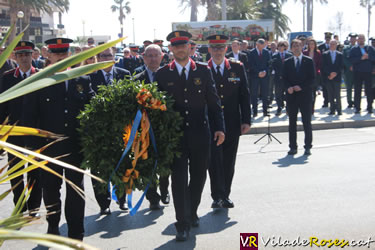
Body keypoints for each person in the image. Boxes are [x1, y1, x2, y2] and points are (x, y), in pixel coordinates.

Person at [155, 30, 225, 241]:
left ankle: (192, 210)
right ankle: (182, 223)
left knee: (198, 176)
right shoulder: (162, 74)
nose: (180, 48)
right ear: (171, 49)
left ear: (190, 46)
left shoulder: (203, 71)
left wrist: (219, 127)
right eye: (175, 45)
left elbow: (214, 103)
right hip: (175, 136)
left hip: (200, 133)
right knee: (178, 179)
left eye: (183, 44)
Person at [23, 38, 95, 240]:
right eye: (56, 52)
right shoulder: (39, 82)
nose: (61, 55)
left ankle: (76, 232)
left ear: (69, 54)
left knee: (75, 189)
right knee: (51, 190)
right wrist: (34, 149)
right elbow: (29, 116)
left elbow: (91, 109)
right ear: (49, 55)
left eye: (64, 51)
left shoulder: (82, 80)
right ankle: (53, 226)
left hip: (74, 146)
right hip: (49, 148)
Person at [206, 34, 251, 209]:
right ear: (209, 49)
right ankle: (216, 195)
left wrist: (246, 119)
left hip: (232, 122)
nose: (217, 51)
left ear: (226, 49)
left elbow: (244, 95)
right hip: (211, 123)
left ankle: (226, 195)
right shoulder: (203, 69)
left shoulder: (236, 67)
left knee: (229, 161)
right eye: (214, 48)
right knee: (214, 161)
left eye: (221, 48)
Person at [0, 41, 42, 215]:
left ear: (33, 55)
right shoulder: (8, 77)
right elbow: (2, 107)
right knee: (16, 171)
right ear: (15, 57)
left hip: (35, 132)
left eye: (27, 54)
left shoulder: (40, 75)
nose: (24, 58)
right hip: (14, 133)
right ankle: (19, 206)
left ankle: (34, 207)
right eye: (21, 55)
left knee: (35, 170)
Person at [133, 45, 170, 210]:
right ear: (144, 57)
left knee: (165, 160)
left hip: (165, 127)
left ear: (162, 57)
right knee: (147, 163)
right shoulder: (136, 79)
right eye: (150, 55)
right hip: (144, 130)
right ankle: (152, 197)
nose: (153, 59)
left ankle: (164, 189)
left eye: (156, 55)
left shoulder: (170, 76)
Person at [283, 39, 315, 156]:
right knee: (292, 123)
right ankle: (293, 147)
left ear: (302, 47)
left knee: (307, 122)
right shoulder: (287, 62)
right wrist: (288, 87)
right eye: (294, 46)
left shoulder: (308, 61)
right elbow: (284, 78)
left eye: (298, 45)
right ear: (291, 48)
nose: (296, 48)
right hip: (292, 97)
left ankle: (307, 146)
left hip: (305, 96)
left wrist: (301, 87)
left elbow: (312, 79)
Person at [349, 34, 375, 114]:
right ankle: (357, 108)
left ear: (364, 39)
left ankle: (369, 107)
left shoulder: (370, 48)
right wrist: (361, 58)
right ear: (357, 40)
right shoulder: (354, 49)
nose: (361, 40)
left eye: (362, 38)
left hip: (368, 72)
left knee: (369, 90)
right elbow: (351, 60)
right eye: (359, 39)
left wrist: (368, 57)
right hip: (358, 72)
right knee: (357, 90)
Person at [248, 38, 271, 117]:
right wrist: (258, 72)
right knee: (254, 94)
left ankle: (265, 110)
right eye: (261, 44)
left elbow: (269, 63)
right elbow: (251, 65)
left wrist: (265, 71)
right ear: (257, 45)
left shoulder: (266, 52)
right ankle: (255, 111)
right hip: (255, 76)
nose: (262, 46)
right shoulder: (251, 53)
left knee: (265, 93)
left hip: (264, 76)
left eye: (263, 44)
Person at [322, 40, 344, 115]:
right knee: (330, 94)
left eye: (334, 44)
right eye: (331, 44)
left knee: (337, 94)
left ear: (336, 45)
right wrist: (329, 74)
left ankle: (339, 109)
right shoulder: (325, 54)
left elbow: (341, 66)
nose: (332, 45)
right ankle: (332, 109)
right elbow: (323, 66)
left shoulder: (340, 54)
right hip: (328, 77)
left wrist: (335, 73)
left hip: (337, 77)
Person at [272, 41, 293, 116]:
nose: (281, 48)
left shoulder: (289, 55)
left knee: (287, 93)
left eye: (282, 46)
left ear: (285, 47)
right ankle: (279, 107)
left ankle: (288, 108)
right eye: (280, 46)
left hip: (287, 78)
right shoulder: (274, 55)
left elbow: (291, 66)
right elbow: (274, 66)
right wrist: (280, 74)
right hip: (278, 78)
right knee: (278, 94)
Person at [303, 37, 322, 115]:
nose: (311, 45)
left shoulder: (318, 53)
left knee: (313, 93)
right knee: (306, 93)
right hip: (306, 75)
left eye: (313, 44)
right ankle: (306, 108)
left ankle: (312, 109)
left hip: (315, 75)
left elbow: (320, 64)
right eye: (310, 44)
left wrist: (316, 71)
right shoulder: (304, 52)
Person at [343, 33, 357, 108]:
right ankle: (349, 102)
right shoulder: (346, 48)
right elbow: (344, 59)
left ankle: (356, 101)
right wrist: (350, 66)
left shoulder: (359, 48)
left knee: (357, 87)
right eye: (351, 38)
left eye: (354, 38)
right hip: (348, 71)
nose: (353, 40)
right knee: (349, 87)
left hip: (357, 71)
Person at [318, 32, 333, 108]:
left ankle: (333, 101)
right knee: (325, 87)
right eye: (326, 38)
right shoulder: (320, 47)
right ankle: (326, 101)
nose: (328, 39)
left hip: (332, 70)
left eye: (329, 38)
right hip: (324, 71)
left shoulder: (334, 46)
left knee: (333, 87)